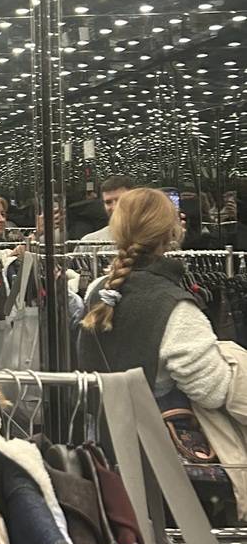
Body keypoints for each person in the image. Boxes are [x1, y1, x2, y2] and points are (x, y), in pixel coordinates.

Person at [78, 187, 234, 412]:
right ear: (171, 233)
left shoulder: (97, 290)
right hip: (156, 431)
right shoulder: (175, 308)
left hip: (101, 428)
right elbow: (213, 392)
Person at [81, 173, 135, 242]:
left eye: (120, 200)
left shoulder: (148, 237)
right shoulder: (91, 241)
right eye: (108, 202)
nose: (114, 207)